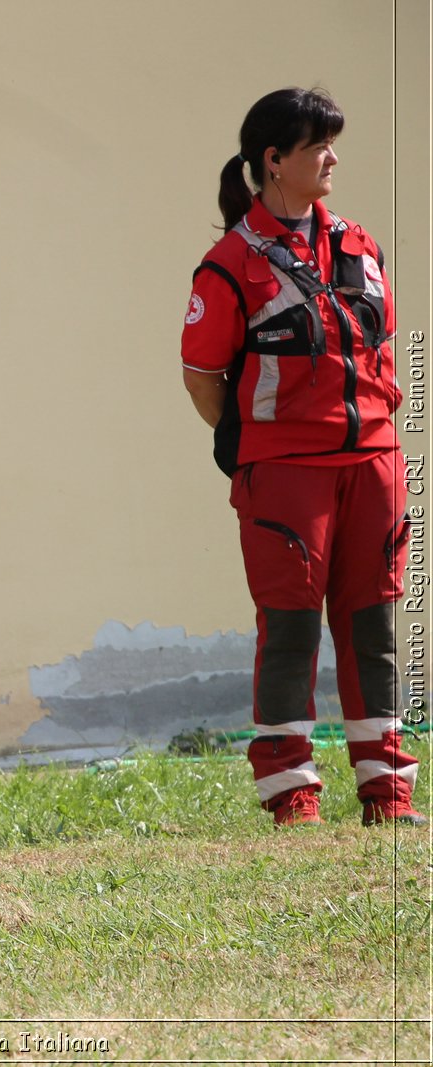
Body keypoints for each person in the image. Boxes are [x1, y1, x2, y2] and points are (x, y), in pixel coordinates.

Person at [180, 88, 423, 828]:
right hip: (285, 475)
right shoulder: (227, 265)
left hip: (374, 464)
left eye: (332, 142)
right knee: (289, 629)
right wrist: (259, 448)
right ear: (273, 161)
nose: (332, 158)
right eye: (318, 145)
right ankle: (292, 796)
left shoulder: (361, 244)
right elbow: (202, 375)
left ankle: (387, 792)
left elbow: (381, 349)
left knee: (374, 628)